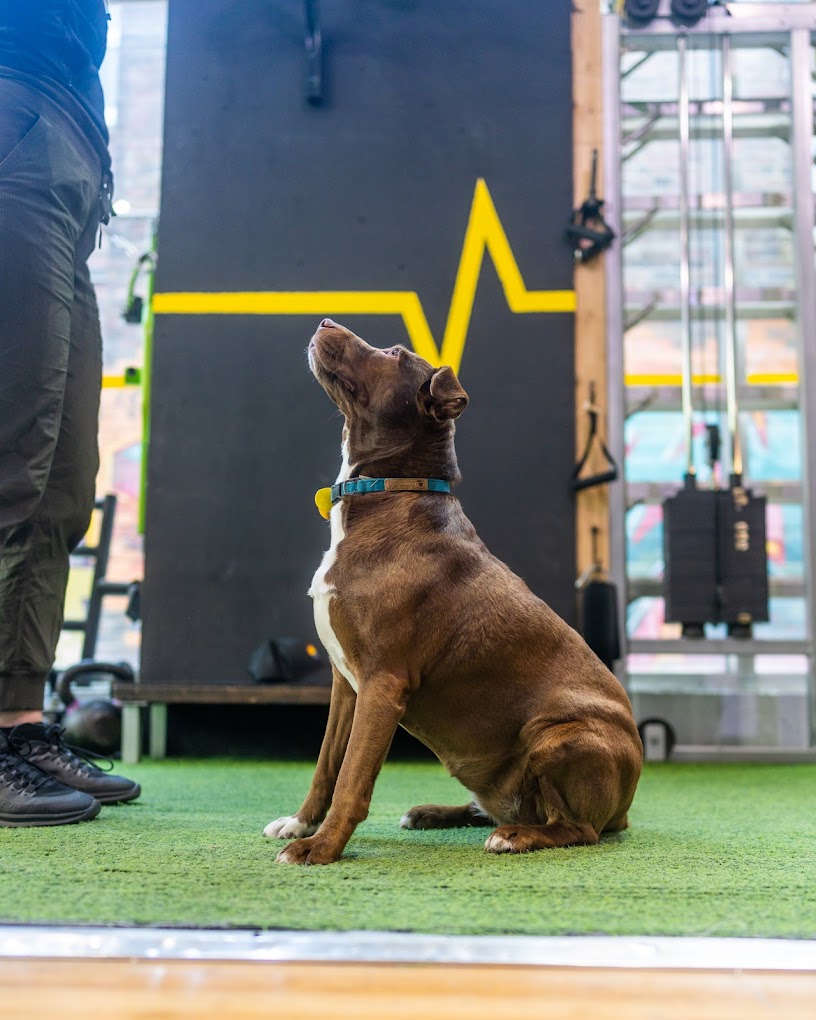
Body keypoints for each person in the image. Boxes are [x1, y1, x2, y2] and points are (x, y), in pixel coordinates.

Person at [0, 1, 140, 825]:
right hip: (18, 123)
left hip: (68, 154)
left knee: (61, 483)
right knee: (13, 457)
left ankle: (19, 721)